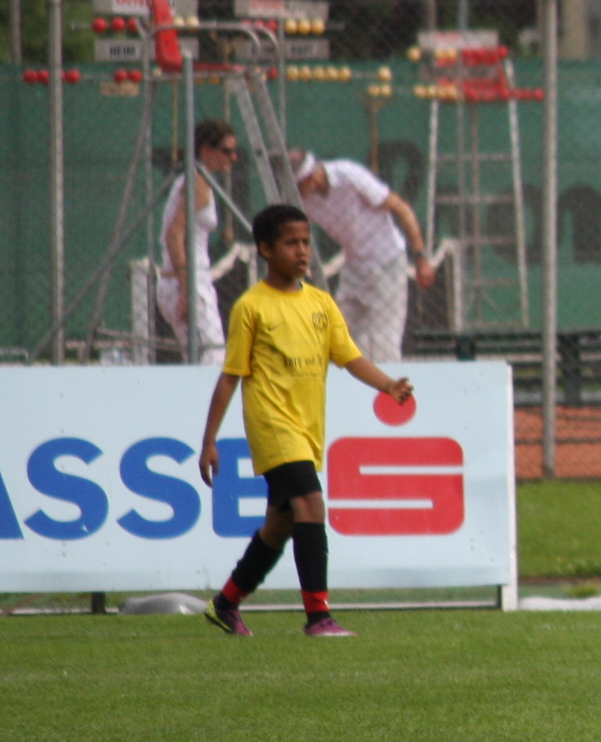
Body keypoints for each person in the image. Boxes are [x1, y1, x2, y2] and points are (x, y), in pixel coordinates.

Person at [195, 203, 416, 639]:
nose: (302, 251)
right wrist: (209, 440)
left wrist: (387, 384)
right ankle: (318, 617)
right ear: (265, 249)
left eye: (306, 242)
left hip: (306, 429)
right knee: (311, 505)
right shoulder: (251, 307)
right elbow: (230, 376)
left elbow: (349, 357)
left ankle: (225, 604)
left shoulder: (320, 303)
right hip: (273, 427)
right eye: (290, 243)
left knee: (279, 526)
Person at [290, 151, 436, 367]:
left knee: (382, 343)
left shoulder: (349, 176)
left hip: (387, 261)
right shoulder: (302, 200)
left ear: (311, 178)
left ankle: (388, 384)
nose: (294, 191)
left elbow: (401, 208)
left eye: (297, 185)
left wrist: (421, 258)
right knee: (339, 335)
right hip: (353, 267)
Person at [157, 119, 238, 365]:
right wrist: (186, 289)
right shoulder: (196, 182)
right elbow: (174, 234)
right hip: (187, 281)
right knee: (212, 360)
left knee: (202, 360)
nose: (233, 158)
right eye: (226, 151)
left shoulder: (197, 179)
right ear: (206, 150)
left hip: (191, 280)